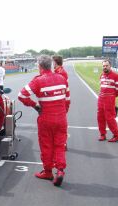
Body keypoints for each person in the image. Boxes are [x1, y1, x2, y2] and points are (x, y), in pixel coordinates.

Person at [18, 55, 70, 187]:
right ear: (51, 65)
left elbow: (21, 95)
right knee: (60, 145)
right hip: (61, 117)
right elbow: (67, 100)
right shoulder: (62, 78)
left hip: (46, 117)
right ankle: (60, 170)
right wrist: (63, 113)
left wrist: (35, 105)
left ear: (39, 67)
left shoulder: (38, 81)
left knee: (46, 145)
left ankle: (47, 172)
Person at [97, 59, 118, 142]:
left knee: (110, 118)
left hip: (109, 99)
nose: (105, 67)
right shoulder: (102, 75)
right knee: (100, 117)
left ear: (110, 66)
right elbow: (101, 86)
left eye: (106, 65)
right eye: (103, 66)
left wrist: (111, 97)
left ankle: (116, 135)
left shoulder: (116, 76)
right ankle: (102, 134)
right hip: (101, 99)